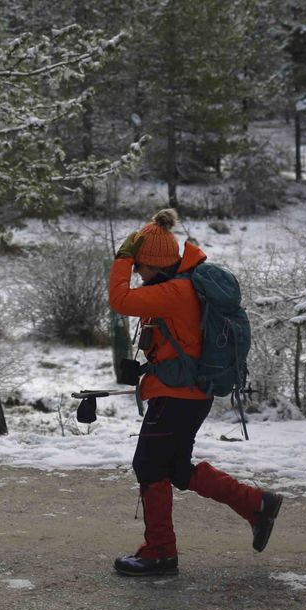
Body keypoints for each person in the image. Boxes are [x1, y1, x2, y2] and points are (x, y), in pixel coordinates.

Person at [107, 207, 284, 577]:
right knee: (175, 469)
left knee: (148, 466)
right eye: (134, 266)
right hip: (186, 395)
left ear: (156, 263)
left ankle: (160, 553)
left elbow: (120, 300)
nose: (137, 273)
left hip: (177, 398)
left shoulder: (175, 290)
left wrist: (122, 258)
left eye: (140, 265)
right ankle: (257, 504)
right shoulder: (177, 285)